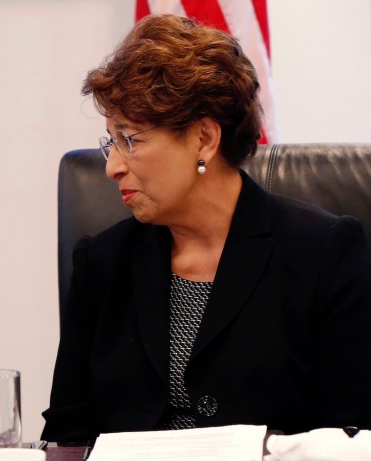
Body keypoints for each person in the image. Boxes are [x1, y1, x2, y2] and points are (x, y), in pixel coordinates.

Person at [42, 14, 371, 442]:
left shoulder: (324, 254)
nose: (112, 166)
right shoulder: (101, 263)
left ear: (203, 139)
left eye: (131, 139)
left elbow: (353, 436)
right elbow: (69, 435)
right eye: (111, 140)